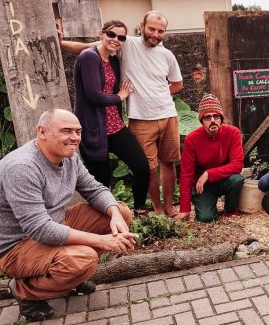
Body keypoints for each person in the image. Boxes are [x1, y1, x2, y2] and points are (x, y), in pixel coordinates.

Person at [0, 109, 136, 322]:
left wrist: (115, 214)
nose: (74, 137)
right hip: (14, 246)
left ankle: (69, 277)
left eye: (78, 131)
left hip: (52, 224)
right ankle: (24, 290)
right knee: (83, 260)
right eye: (66, 131)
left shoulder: (70, 159)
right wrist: (102, 241)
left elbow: (94, 189)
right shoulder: (22, 167)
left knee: (120, 212)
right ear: (42, 132)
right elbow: (39, 228)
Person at [59, 11, 184, 217]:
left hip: (152, 116)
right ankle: (151, 210)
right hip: (125, 120)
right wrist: (62, 43)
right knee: (142, 168)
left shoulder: (164, 54)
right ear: (142, 25)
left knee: (160, 164)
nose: (155, 34)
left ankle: (157, 209)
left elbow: (177, 83)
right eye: (151, 28)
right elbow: (88, 50)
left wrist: (157, 94)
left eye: (160, 31)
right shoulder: (125, 46)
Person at [73, 20, 150, 212]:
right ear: (101, 34)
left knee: (141, 166)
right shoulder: (89, 57)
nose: (116, 40)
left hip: (115, 125)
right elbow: (93, 95)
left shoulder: (113, 60)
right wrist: (119, 96)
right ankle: (106, 220)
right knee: (101, 180)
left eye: (121, 37)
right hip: (93, 128)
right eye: (111, 35)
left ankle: (139, 209)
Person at [177, 94, 244, 222]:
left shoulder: (233, 133)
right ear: (202, 120)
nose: (212, 120)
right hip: (203, 185)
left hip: (225, 179)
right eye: (207, 117)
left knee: (237, 179)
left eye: (216, 116)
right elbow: (186, 174)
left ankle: (231, 209)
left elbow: (237, 165)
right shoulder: (191, 139)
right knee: (205, 217)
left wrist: (209, 173)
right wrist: (184, 208)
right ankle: (206, 205)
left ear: (221, 118)